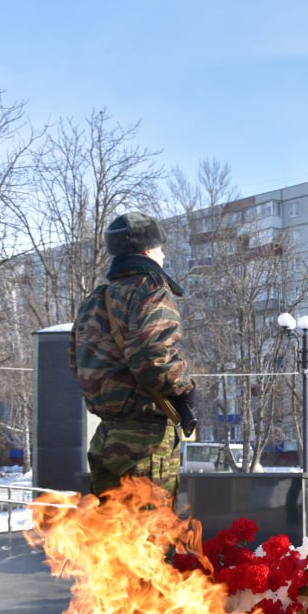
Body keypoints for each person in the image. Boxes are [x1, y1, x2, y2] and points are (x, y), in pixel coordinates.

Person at [70, 211, 197, 500]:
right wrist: (187, 387)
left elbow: (76, 362)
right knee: (149, 538)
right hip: (145, 444)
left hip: (107, 437)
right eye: (161, 249)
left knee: (109, 538)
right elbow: (154, 357)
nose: (163, 256)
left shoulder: (95, 299)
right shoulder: (151, 290)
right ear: (148, 250)